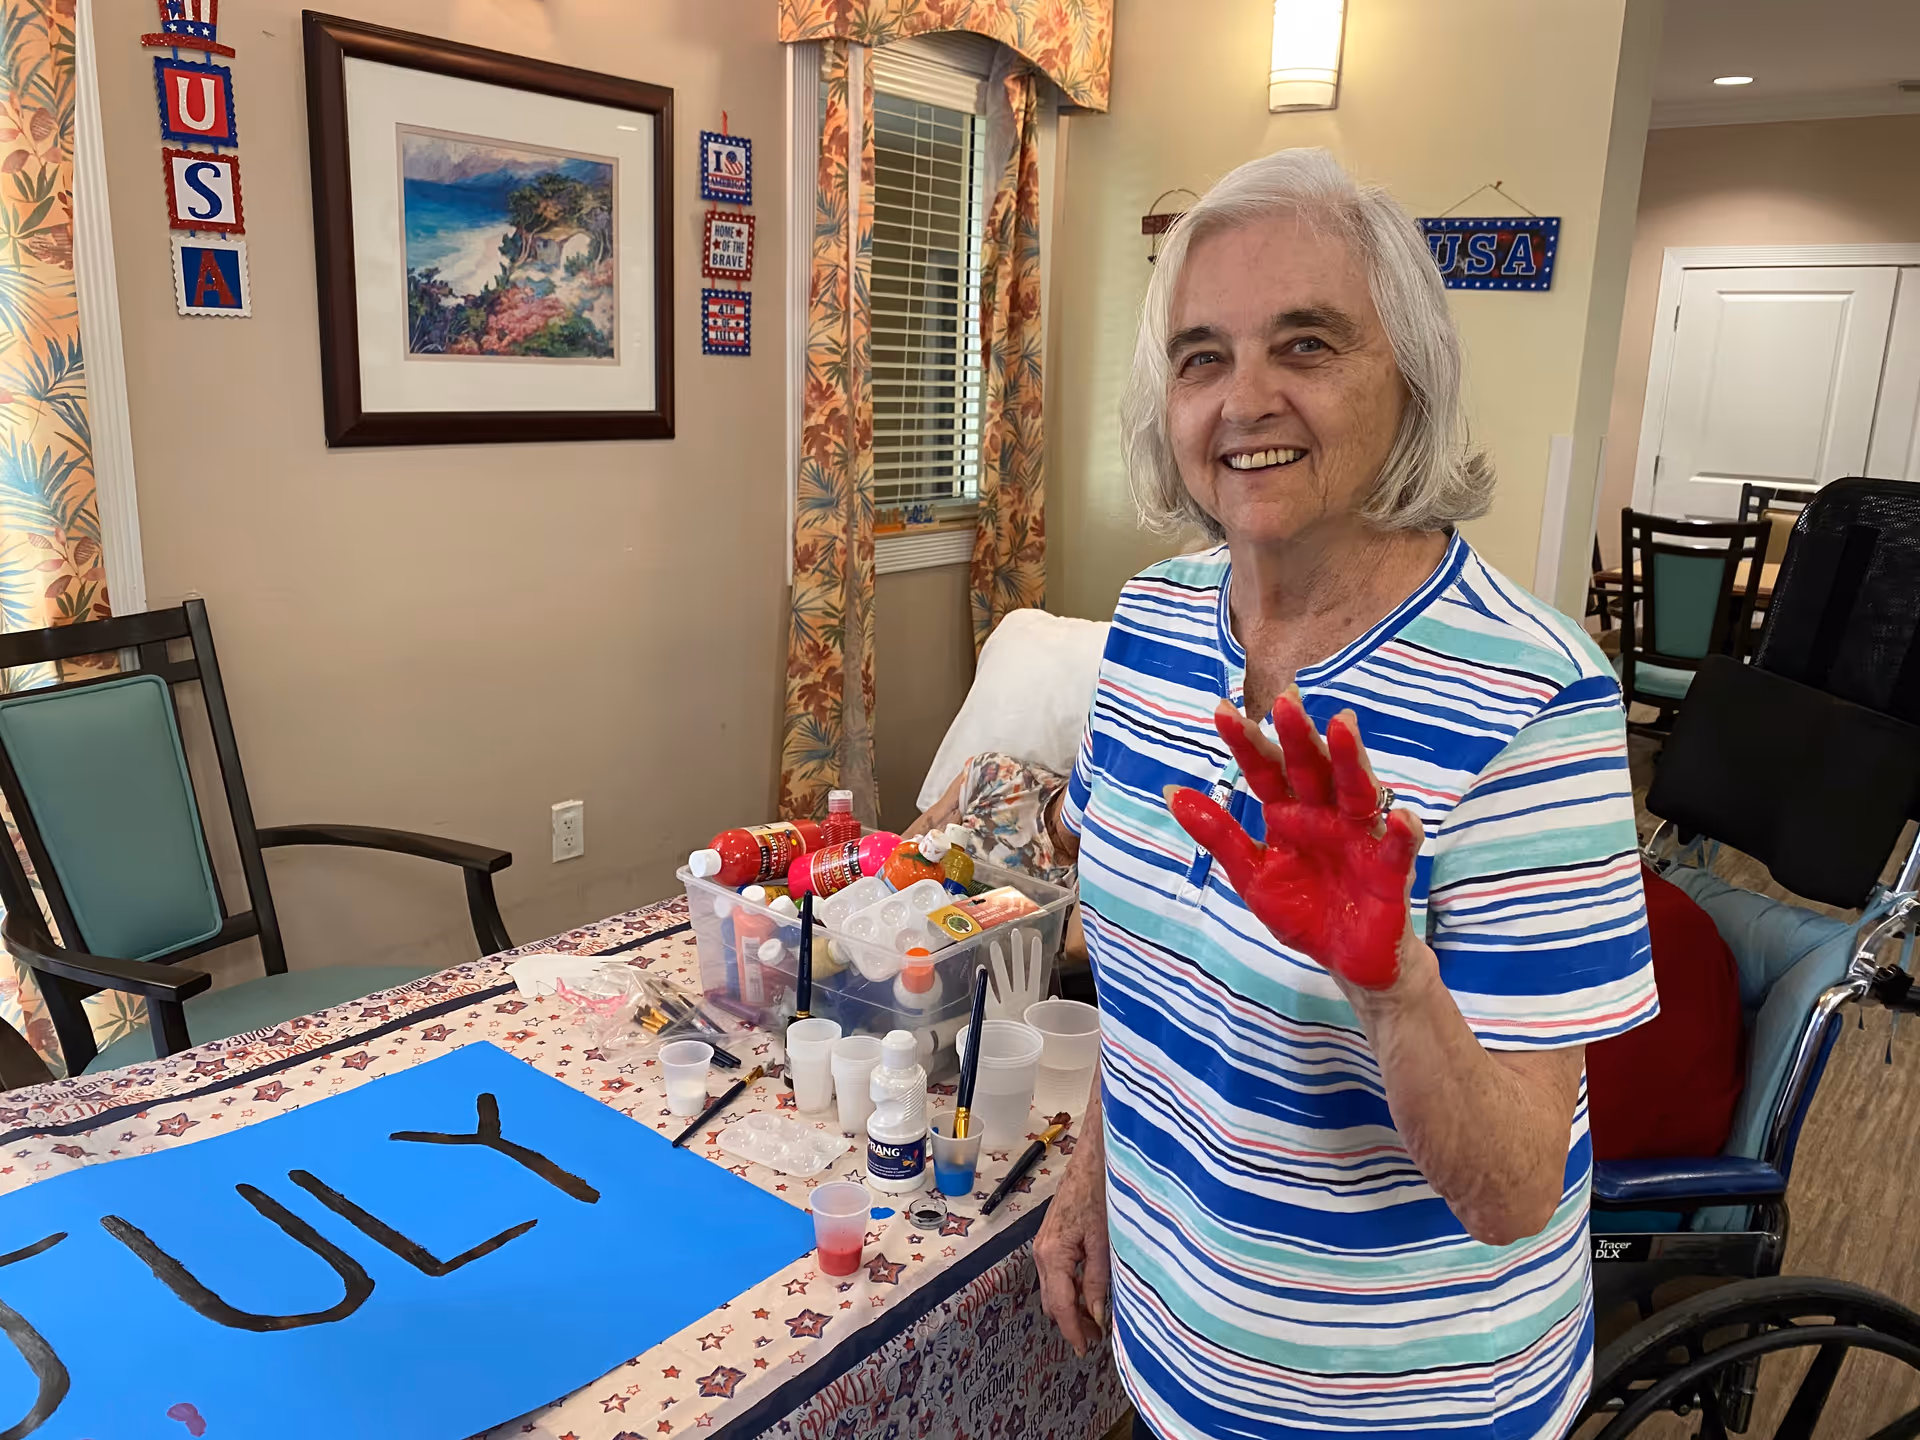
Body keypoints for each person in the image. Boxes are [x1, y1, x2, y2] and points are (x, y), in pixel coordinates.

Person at [1031, 148, 1656, 1440]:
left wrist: (1396, 990)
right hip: (1174, 1372)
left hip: (1402, 1410)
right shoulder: (1147, 628)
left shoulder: (1539, 700)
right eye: (1202, 357)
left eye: (1305, 345)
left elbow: (1513, 1191)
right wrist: (1090, 1180)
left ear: (1408, 380)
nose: (1245, 399)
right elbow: (1152, 992)